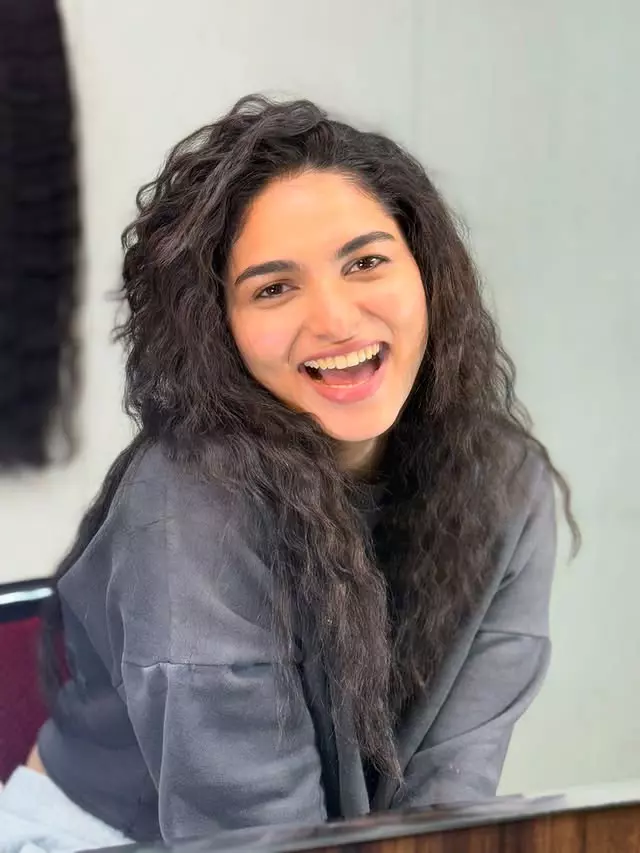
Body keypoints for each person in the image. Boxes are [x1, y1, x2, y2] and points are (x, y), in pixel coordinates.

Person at [0, 95, 578, 850]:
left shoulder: (504, 484)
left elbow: (450, 794)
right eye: (273, 288)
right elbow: (251, 829)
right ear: (218, 328)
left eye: (365, 262)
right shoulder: (190, 509)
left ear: (428, 272)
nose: (335, 320)